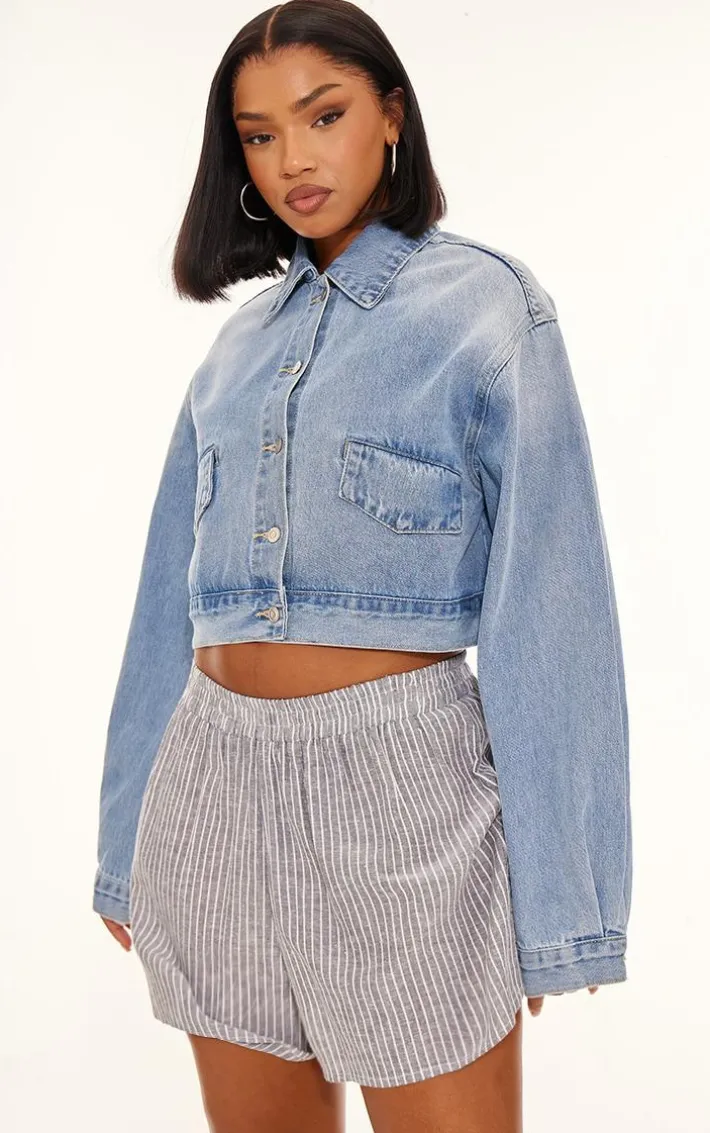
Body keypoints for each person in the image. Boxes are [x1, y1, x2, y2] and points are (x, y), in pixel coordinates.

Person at [91, 2, 632, 1130]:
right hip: (211, 789)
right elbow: (163, 607)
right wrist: (123, 839)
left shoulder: (486, 309)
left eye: (323, 116)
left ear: (391, 116)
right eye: (258, 134)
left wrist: (563, 903)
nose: (293, 158)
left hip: (404, 799)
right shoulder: (235, 350)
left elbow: (552, 604)